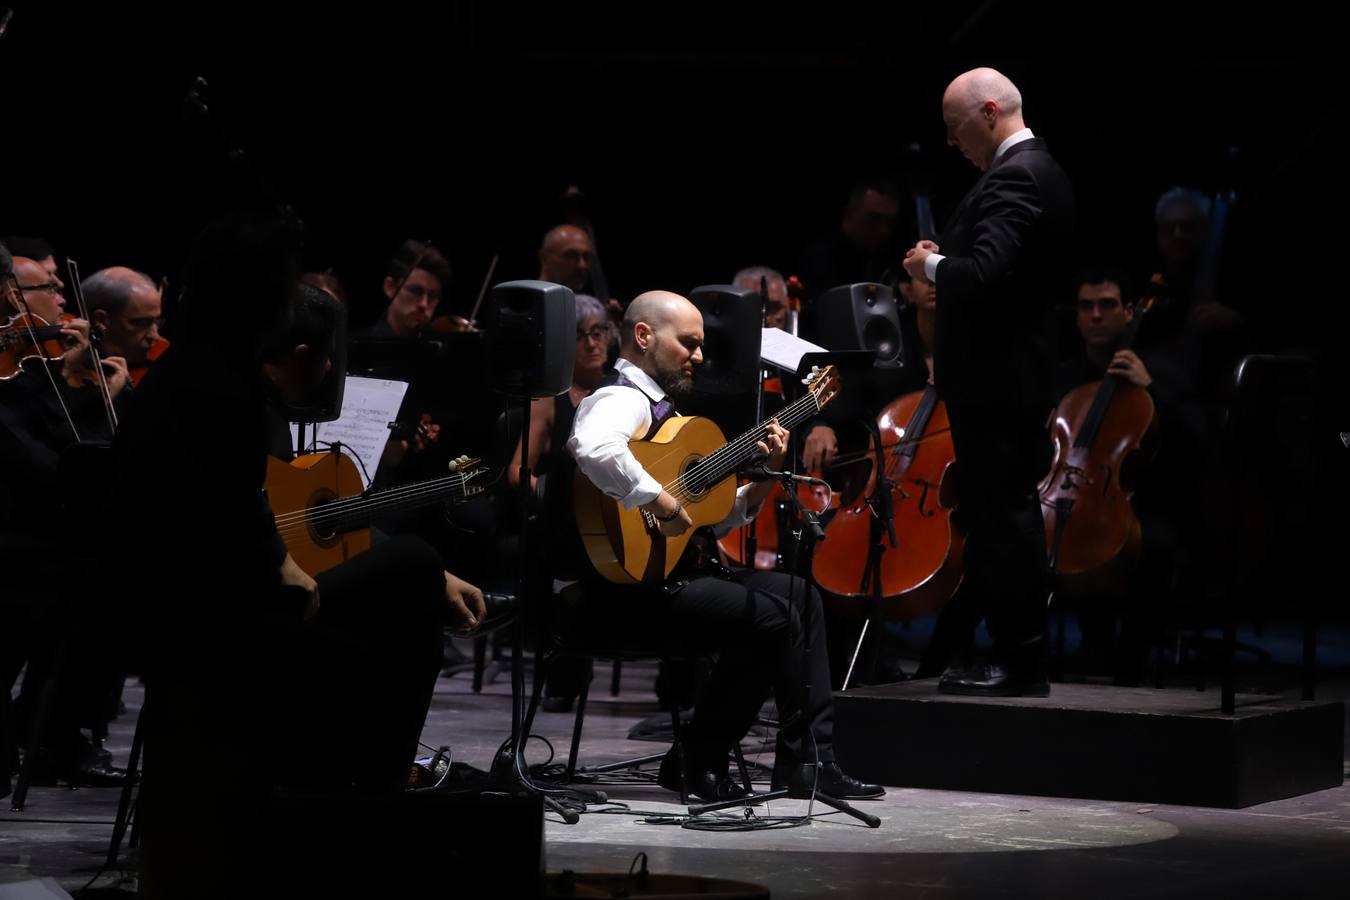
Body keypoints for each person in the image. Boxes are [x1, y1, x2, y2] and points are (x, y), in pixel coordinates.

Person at [558, 290, 883, 802]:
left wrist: (768, 475)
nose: (700, 356)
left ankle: (808, 762)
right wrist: (658, 500)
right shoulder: (619, 400)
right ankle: (697, 757)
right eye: (688, 343)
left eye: (701, 345)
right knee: (770, 617)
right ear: (644, 337)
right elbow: (593, 449)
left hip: (678, 575)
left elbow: (716, 515)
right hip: (626, 592)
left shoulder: (674, 422)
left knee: (801, 596)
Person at [902, 67, 1076, 696]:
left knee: (1006, 517)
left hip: (999, 384)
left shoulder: (1017, 177)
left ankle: (1021, 659)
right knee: (1001, 515)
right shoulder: (1037, 171)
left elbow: (982, 277)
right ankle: (1006, 652)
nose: (952, 142)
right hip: (1008, 380)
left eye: (955, 128)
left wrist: (931, 265)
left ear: (989, 111)